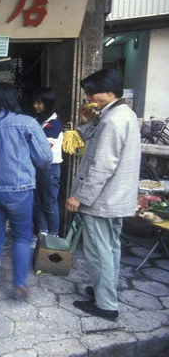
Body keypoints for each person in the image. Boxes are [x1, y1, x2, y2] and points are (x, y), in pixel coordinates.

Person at [67, 69, 140, 320]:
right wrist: (86, 121)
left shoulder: (113, 120)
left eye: (91, 93)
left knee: (99, 251)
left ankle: (106, 305)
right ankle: (105, 291)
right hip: (115, 198)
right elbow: (97, 143)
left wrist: (80, 196)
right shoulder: (122, 114)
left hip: (103, 199)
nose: (88, 98)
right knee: (110, 248)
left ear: (110, 91)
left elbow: (102, 164)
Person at [0, 83, 52, 300]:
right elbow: (45, 159)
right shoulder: (27, 123)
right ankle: (19, 284)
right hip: (19, 190)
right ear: (13, 99)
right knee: (22, 236)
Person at [32, 87, 64, 237]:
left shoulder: (54, 124)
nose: (36, 106)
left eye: (40, 103)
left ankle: (53, 236)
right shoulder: (40, 122)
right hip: (39, 167)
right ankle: (42, 234)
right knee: (38, 203)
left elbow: (42, 147)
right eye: (35, 103)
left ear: (49, 103)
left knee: (49, 204)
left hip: (50, 168)